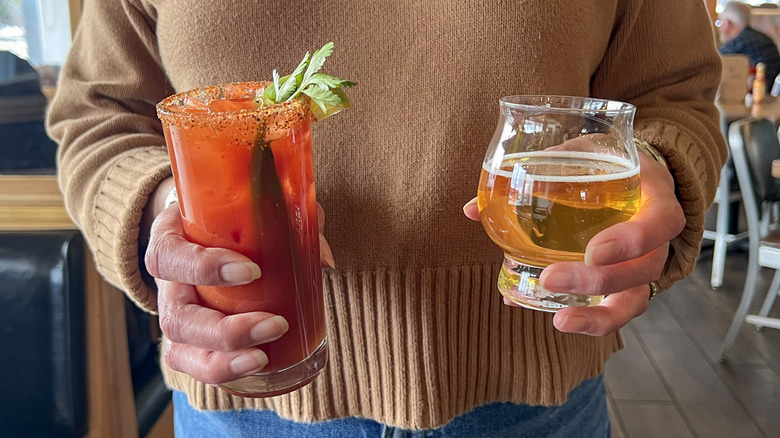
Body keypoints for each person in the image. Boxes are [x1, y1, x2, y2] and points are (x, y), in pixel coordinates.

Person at [47, 0, 726, 436]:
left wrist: (662, 169)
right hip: (246, 395)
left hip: (536, 386)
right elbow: (99, 117)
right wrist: (168, 211)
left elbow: (674, 97)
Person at [718, 1, 780, 89]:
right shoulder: (765, 38)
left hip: (753, 96)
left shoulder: (735, 44)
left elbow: (713, 65)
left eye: (719, 23)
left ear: (727, 23)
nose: (719, 28)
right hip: (773, 95)